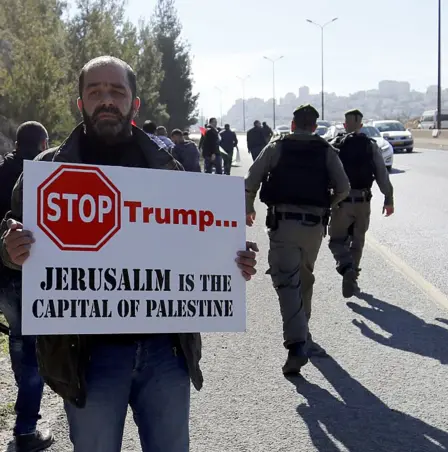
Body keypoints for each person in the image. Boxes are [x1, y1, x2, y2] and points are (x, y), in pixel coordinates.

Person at [0, 55, 259, 452]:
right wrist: (9, 248)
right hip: (87, 357)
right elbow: (11, 232)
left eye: (117, 91)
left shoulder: (167, 169)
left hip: (165, 352)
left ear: (134, 103)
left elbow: (197, 242)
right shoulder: (47, 172)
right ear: (80, 102)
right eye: (95, 91)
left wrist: (231, 257)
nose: (107, 100)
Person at [245, 104, 350, 376]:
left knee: (286, 281)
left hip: (284, 225)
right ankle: (303, 327)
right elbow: (344, 188)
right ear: (315, 127)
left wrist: (248, 206)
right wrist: (326, 204)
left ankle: (296, 345)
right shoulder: (326, 150)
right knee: (304, 277)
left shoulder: (277, 147)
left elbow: (251, 179)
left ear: (292, 125)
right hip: (315, 227)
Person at [0, 121, 54, 452]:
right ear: (43, 142)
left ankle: (24, 400)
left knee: (18, 339)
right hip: (28, 278)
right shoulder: (45, 174)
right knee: (33, 351)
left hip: (2, 278)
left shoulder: (2, 168)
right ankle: (24, 429)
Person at [328, 109, 394, 298]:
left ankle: (346, 267)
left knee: (336, 241)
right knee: (357, 243)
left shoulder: (336, 145)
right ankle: (353, 279)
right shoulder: (370, 145)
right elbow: (382, 174)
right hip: (363, 202)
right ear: (361, 125)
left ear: (344, 124)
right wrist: (388, 198)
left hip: (341, 202)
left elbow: (327, 173)